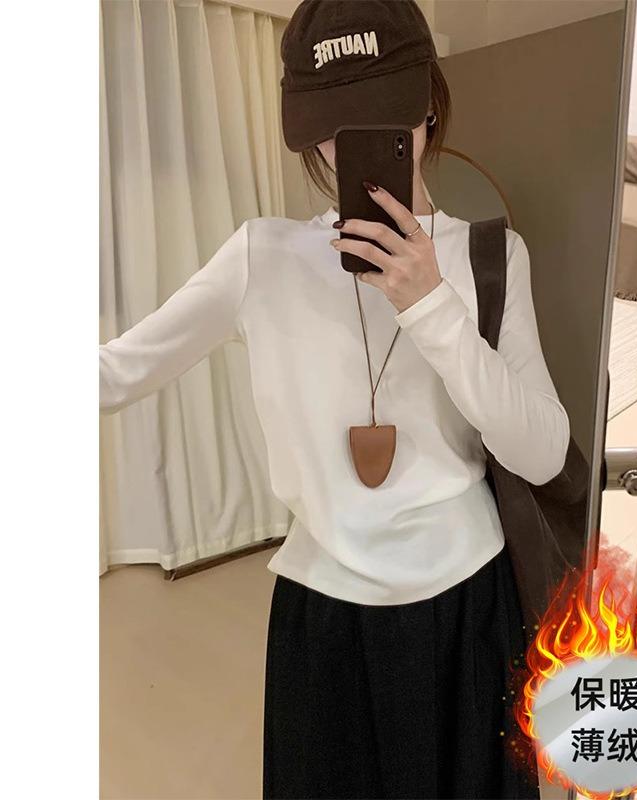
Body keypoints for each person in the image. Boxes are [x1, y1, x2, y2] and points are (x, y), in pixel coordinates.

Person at [99, 1, 569, 797]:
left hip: (468, 607)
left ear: (427, 105)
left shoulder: (491, 256)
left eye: (379, 118)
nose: (349, 146)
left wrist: (431, 305)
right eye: (330, 127)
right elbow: (115, 372)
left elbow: (543, 451)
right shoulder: (262, 257)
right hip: (323, 613)